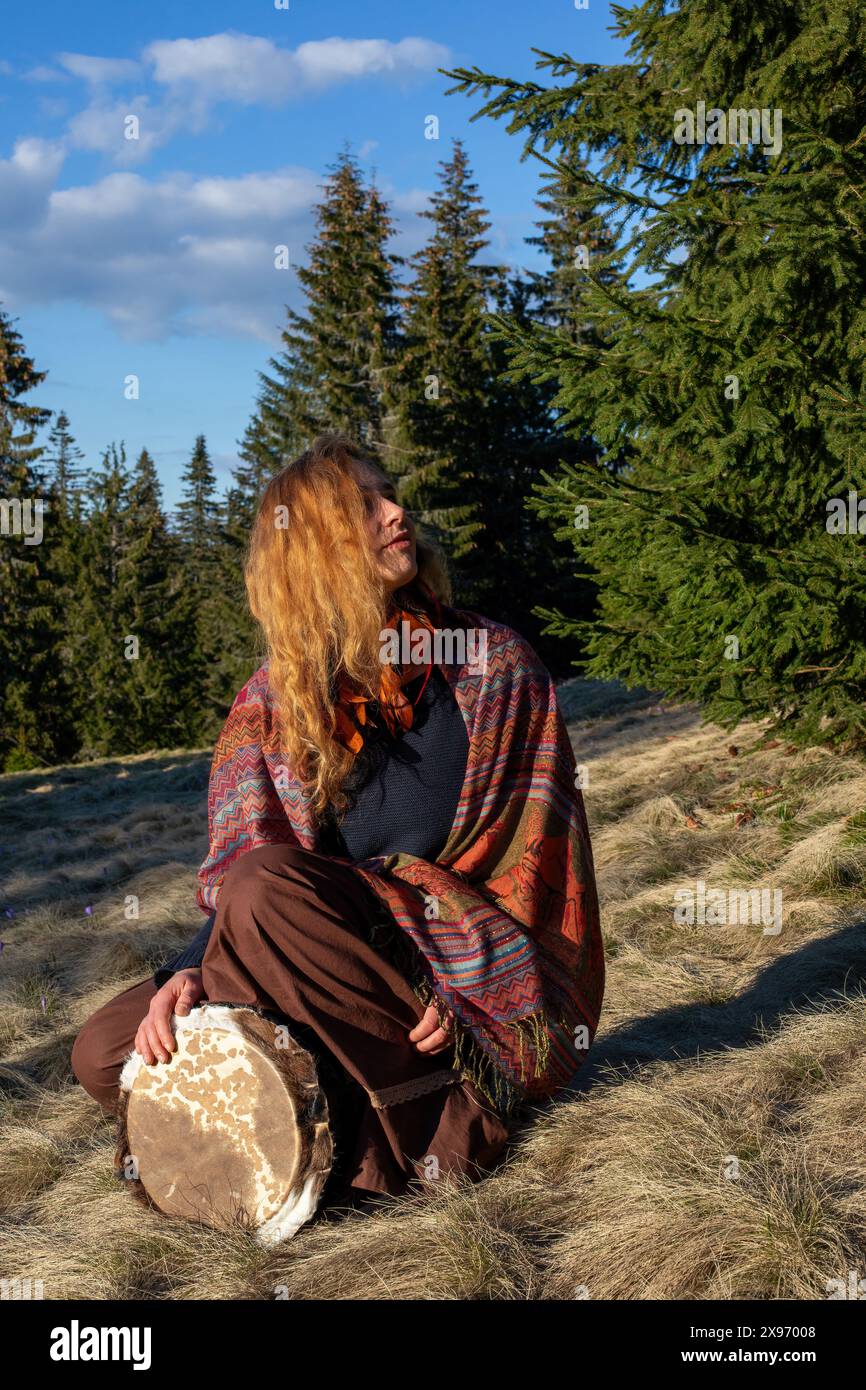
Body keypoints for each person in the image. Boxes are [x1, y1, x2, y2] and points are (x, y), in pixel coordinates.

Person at [71, 432, 605, 1213]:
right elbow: (253, 866)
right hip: (303, 946)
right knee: (106, 1049)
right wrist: (192, 971)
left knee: (262, 896)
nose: (397, 513)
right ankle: (315, 1121)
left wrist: (463, 981)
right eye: (363, 507)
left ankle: (424, 1130)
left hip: (444, 964)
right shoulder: (272, 702)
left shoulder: (492, 669)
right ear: (311, 554)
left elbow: (539, 874)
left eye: (387, 494)